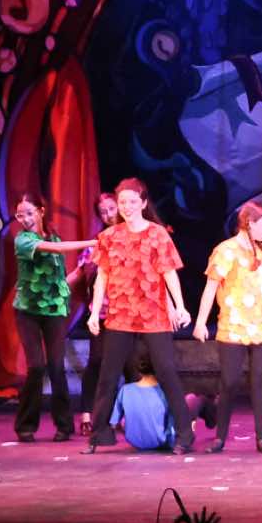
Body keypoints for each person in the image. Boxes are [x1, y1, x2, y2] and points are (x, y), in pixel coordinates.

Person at [83, 178, 198, 455]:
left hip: (153, 313)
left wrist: (180, 306)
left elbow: (169, 273)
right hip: (120, 314)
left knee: (166, 370)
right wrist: (94, 312)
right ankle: (98, 436)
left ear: (144, 203)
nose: (127, 207)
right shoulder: (109, 237)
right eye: (122, 202)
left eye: (133, 201)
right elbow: (102, 277)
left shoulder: (157, 234)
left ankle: (184, 435)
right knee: (108, 374)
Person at [193, 200, 262, 454]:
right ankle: (220, 438)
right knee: (229, 382)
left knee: (259, 382)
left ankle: (261, 438)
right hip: (233, 327)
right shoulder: (226, 251)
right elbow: (210, 288)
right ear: (249, 223)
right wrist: (201, 321)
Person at [8, 194, 95, 443]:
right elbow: (56, 249)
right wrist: (93, 241)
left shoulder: (53, 236)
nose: (25, 219)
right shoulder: (23, 240)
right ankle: (25, 425)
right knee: (36, 366)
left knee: (57, 367)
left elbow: (59, 278)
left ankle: (64, 425)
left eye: (29, 213)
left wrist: (80, 272)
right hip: (28, 311)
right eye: (20, 215)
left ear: (41, 211)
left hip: (54, 310)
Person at [71, 191, 120, 434]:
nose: (109, 215)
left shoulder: (137, 237)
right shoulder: (97, 243)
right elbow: (80, 273)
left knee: (129, 365)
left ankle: (123, 416)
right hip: (101, 315)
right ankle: (87, 414)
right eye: (103, 212)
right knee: (97, 361)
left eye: (112, 209)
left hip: (129, 315)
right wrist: (56, 288)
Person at [112, 348, 179, 451]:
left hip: (135, 442)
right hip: (162, 441)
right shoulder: (166, 391)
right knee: (192, 399)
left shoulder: (125, 390)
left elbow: (113, 423)